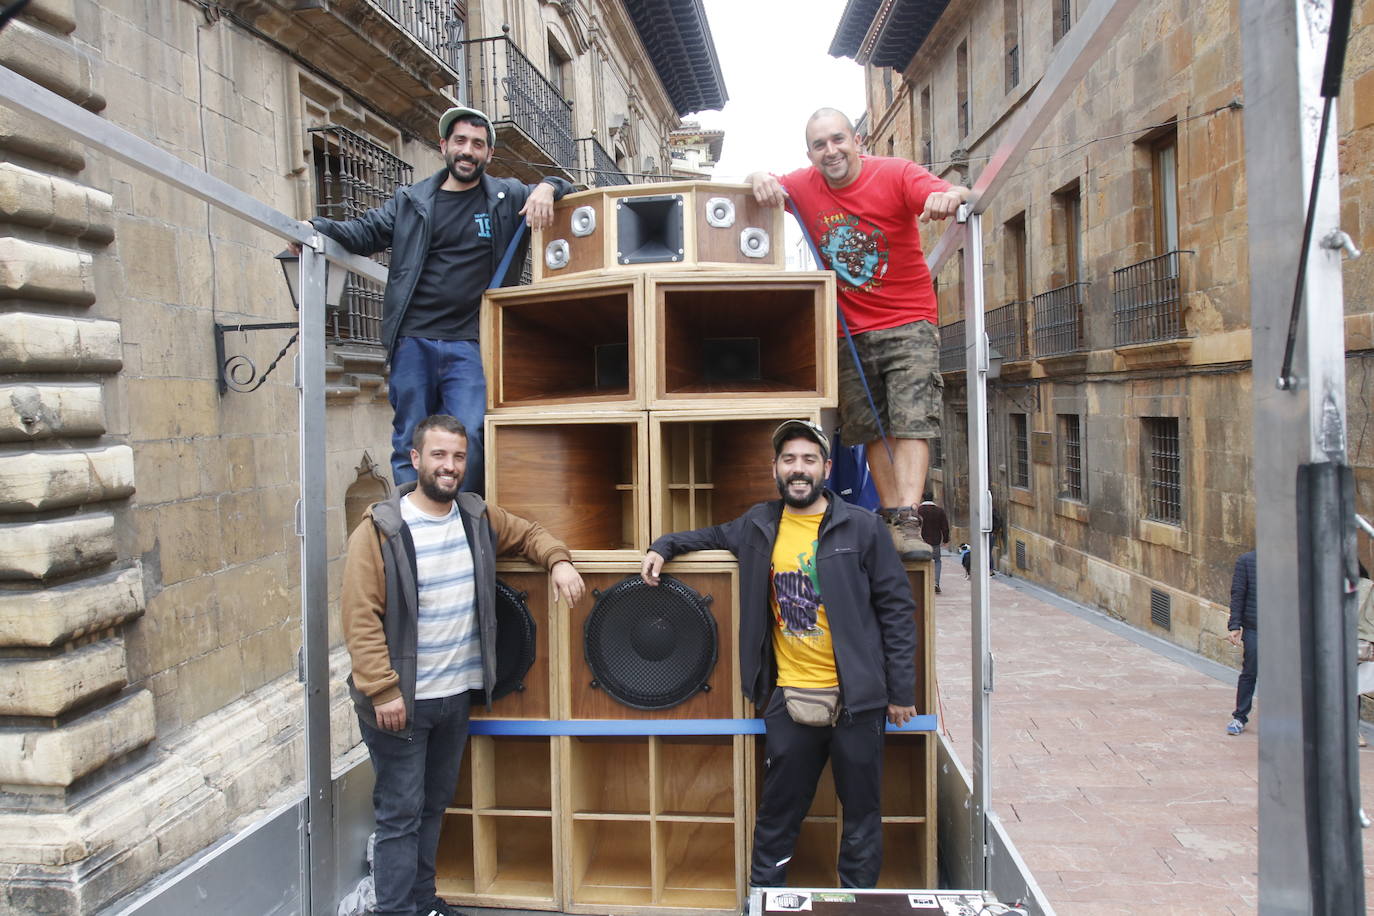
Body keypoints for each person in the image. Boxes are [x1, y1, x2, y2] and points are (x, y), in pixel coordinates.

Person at [640, 419, 917, 888]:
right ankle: (764, 897)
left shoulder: (864, 527)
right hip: (788, 699)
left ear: (827, 468)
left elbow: (897, 611)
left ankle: (858, 902)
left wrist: (901, 690)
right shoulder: (758, 524)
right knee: (777, 815)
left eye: (809, 459)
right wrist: (662, 546)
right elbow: (706, 536)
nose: (798, 469)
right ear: (775, 468)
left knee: (863, 816)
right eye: (789, 459)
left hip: (859, 702)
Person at [342, 414, 585, 916]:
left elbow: (530, 534)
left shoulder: (476, 516)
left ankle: (422, 901)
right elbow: (359, 614)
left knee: (432, 809)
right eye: (438, 455)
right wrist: (382, 689)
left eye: (457, 457)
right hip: (401, 703)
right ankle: (393, 910)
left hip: (454, 699)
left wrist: (558, 560)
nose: (449, 466)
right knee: (399, 815)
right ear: (416, 460)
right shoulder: (382, 528)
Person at [303, 106, 573, 490]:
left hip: (471, 343)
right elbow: (365, 233)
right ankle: (411, 524)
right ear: (444, 146)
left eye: (478, 144)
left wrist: (548, 185)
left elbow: (570, 193)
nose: (468, 150)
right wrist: (315, 227)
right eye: (460, 141)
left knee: (471, 436)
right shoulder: (411, 201)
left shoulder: (505, 197)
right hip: (414, 337)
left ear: (489, 154)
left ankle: (460, 519)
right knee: (411, 439)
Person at [748, 108, 970, 560]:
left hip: (908, 319)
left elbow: (949, 190)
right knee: (872, 429)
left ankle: (909, 518)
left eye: (837, 139)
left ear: (858, 140)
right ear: (809, 153)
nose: (830, 151)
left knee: (911, 420)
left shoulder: (896, 174)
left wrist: (951, 197)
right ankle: (892, 521)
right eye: (819, 145)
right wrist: (757, 176)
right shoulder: (803, 185)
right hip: (849, 332)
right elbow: (762, 180)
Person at [1226, 549, 1257, 735]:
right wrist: (1234, 625)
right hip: (1255, 626)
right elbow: (1238, 593)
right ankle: (1239, 717)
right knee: (1250, 671)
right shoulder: (1246, 561)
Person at [915, 490, 950, 593]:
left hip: (921, 541)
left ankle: (922, 583)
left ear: (923, 498)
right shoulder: (939, 511)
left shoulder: (918, 511)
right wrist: (946, 539)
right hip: (935, 541)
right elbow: (945, 527)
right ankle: (936, 582)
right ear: (932, 498)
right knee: (937, 561)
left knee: (921, 562)